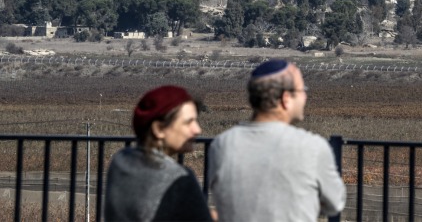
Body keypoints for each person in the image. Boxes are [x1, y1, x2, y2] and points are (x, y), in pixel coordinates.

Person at [208, 59, 346, 221]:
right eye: (302, 90)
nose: (305, 96)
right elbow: (335, 203)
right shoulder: (312, 147)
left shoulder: (222, 144)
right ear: (286, 98)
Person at [105, 85, 212, 221]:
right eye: (188, 122)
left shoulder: (120, 160)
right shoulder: (180, 179)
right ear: (159, 129)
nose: (197, 130)